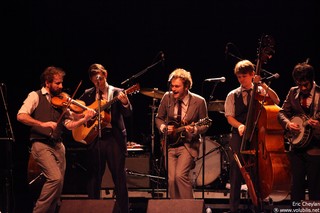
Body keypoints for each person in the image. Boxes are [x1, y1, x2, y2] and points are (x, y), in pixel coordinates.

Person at [17, 66, 96, 213]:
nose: (61, 86)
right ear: (47, 83)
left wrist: (84, 117)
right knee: (55, 179)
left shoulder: (62, 101)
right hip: (40, 143)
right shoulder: (35, 96)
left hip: (58, 145)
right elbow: (21, 115)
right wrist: (42, 124)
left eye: (61, 83)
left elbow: (70, 124)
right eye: (57, 83)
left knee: (58, 187)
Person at [224, 60, 280, 212]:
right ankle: (233, 208)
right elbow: (229, 116)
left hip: (257, 136)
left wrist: (262, 84)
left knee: (257, 171)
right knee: (236, 171)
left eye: (244, 76)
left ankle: (258, 206)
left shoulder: (261, 92)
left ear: (252, 75)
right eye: (239, 77)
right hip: (238, 133)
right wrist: (240, 125)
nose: (241, 79)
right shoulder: (232, 95)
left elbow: (276, 101)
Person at [78, 63, 132, 213]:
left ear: (105, 75)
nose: (98, 82)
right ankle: (93, 209)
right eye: (95, 80)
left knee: (119, 177)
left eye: (100, 78)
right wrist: (85, 116)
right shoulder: (88, 94)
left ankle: (123, 210)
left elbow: (128, 114)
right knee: (94, 177)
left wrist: (125, 102)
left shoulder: (117, 92)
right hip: (95, 138)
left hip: (114, 139)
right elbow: (77, 109)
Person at [155, 68, 210, 199]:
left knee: (180, 176)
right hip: (169, 144)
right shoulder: (167, 98)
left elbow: (206, 124)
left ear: (186, 86)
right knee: (172, 180)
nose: (173, 89)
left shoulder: (199, 101)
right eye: (172, 86)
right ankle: (176, 208)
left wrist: (195, 129)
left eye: (177, 86)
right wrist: (163, 127)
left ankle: (189, 208)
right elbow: (158, 118)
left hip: (188, 144)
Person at [277, 62, 320, 205]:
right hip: (296, 148)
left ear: (312, 80)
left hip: (316, 147)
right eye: (299, 84)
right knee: (296, 187)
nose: (302, 88)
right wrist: (288, 124)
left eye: (305, 85)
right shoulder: (292, 92)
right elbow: (282, 113)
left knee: (315, 187)